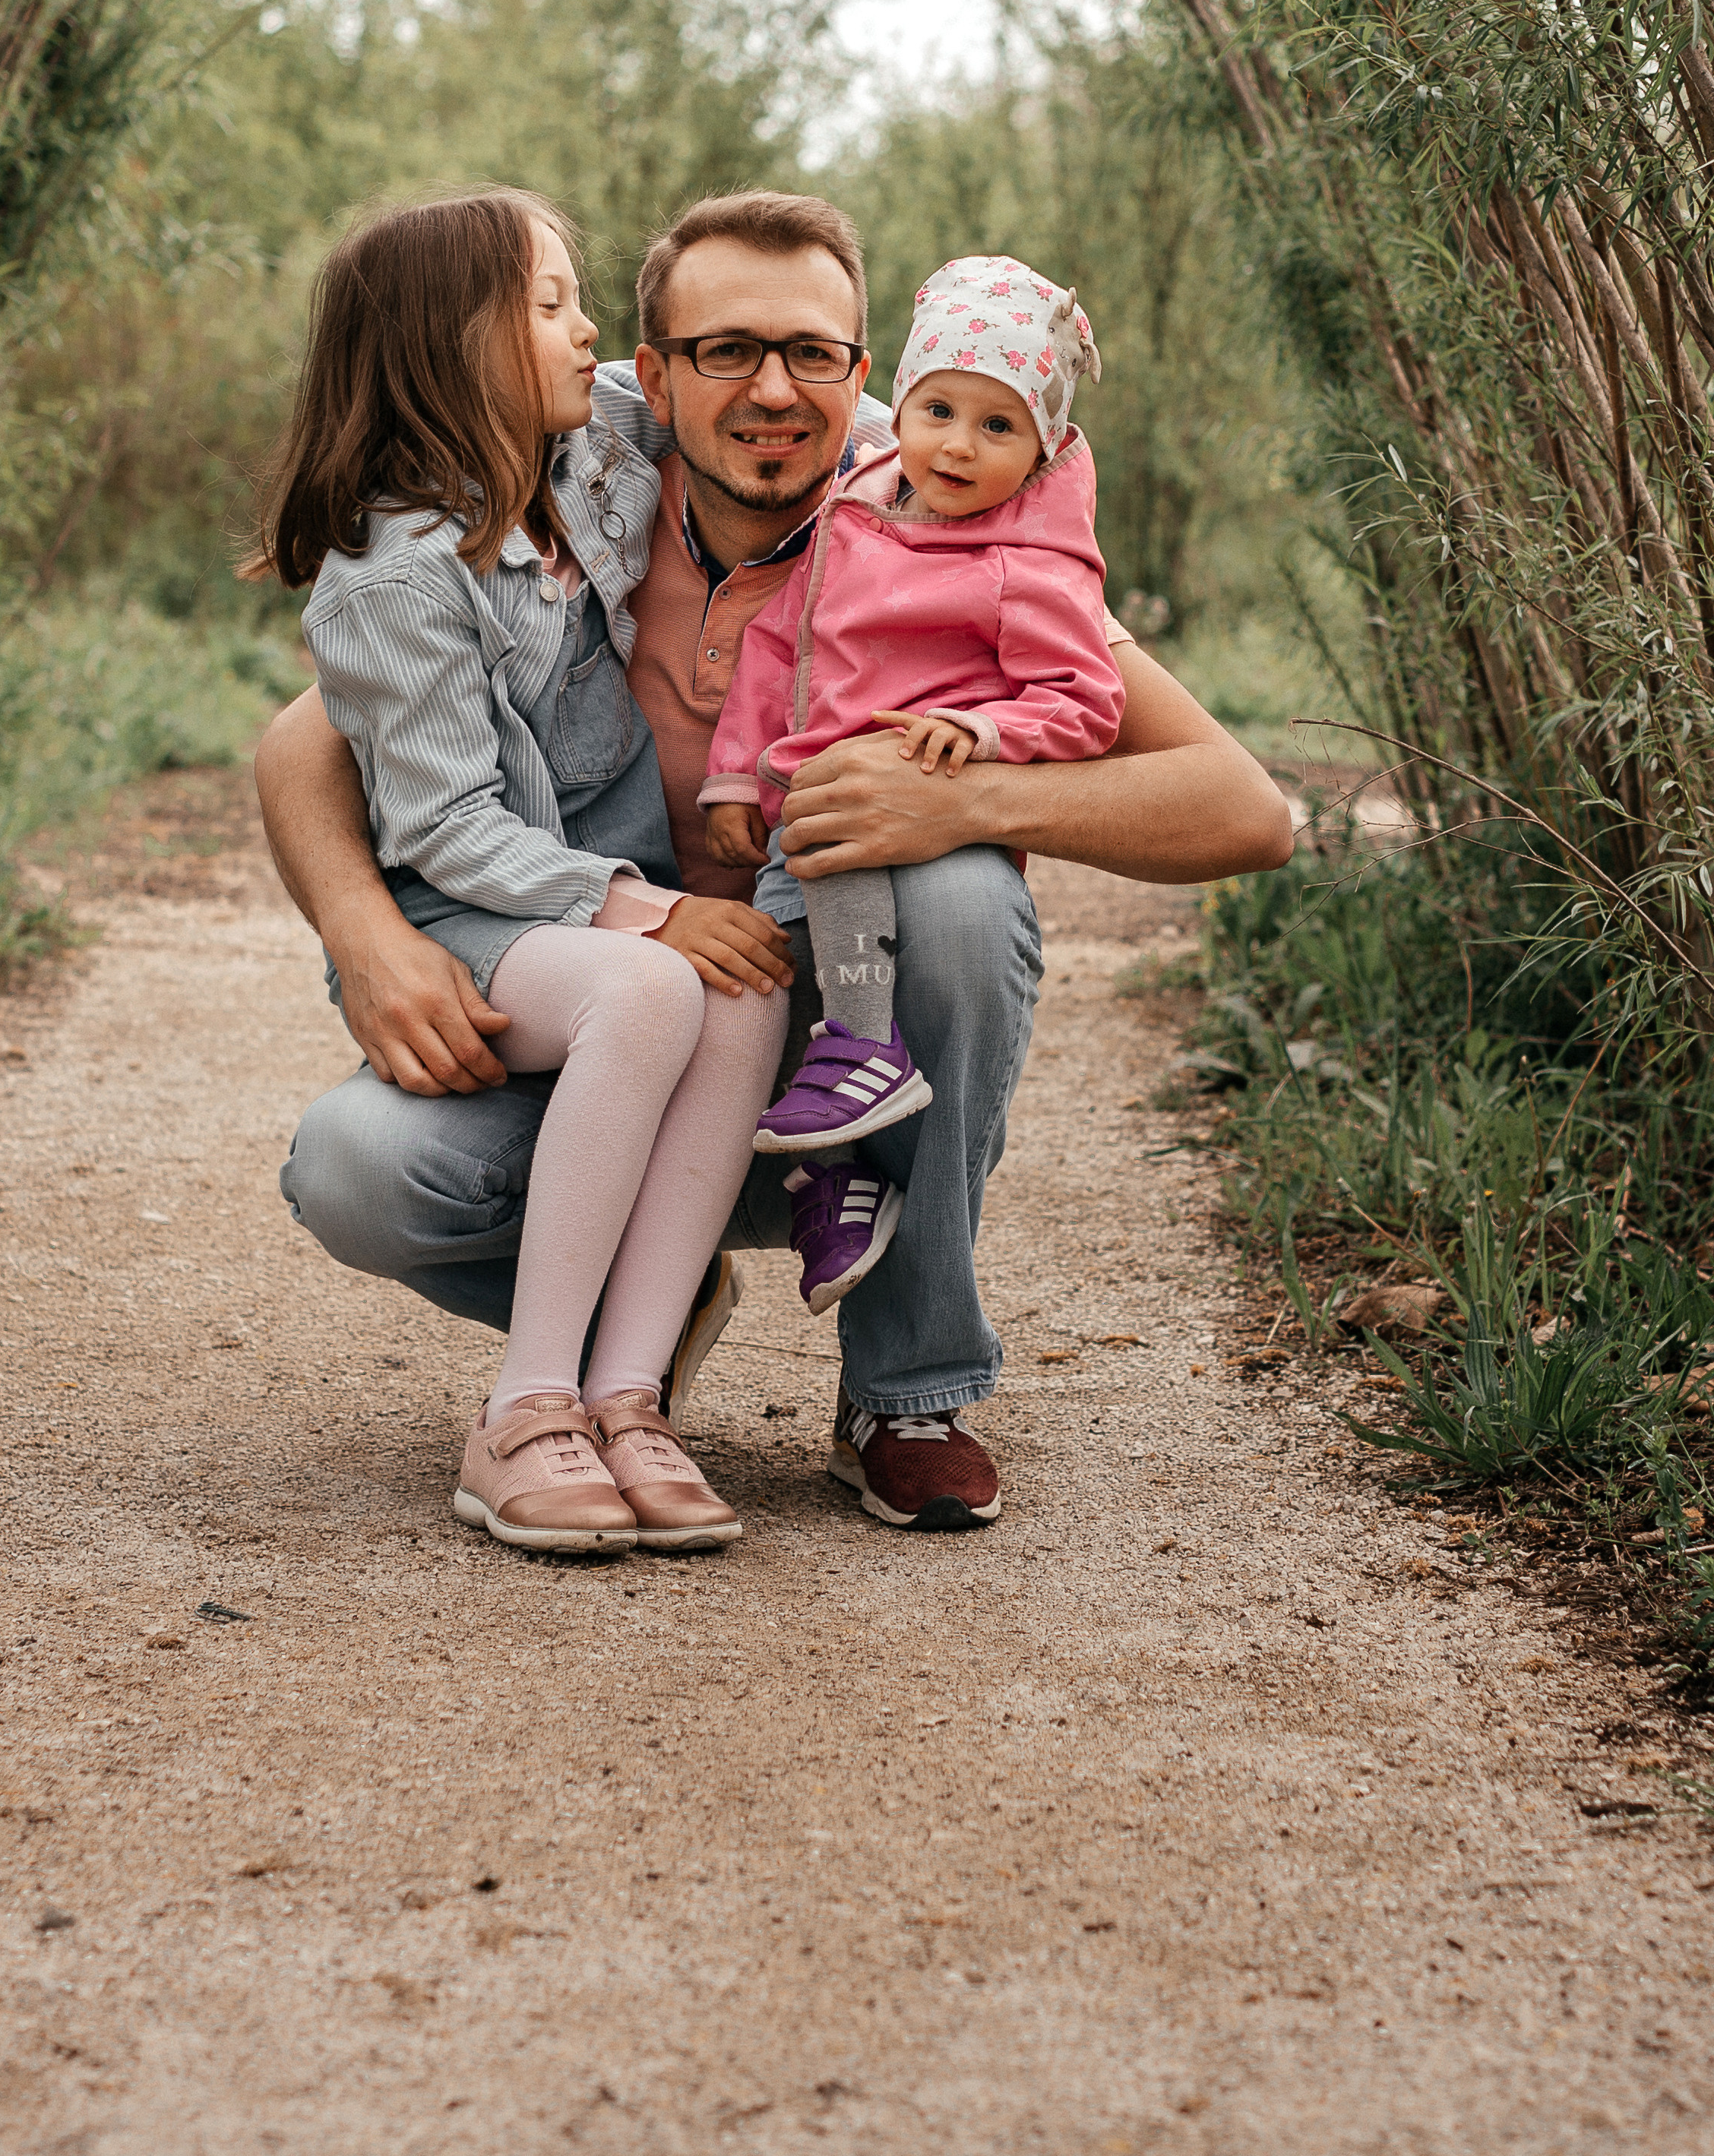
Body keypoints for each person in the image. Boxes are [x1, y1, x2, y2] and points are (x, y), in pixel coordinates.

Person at [256, 190, 1294, 1535]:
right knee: (358, 1163)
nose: (773, 391)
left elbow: (1243, 810)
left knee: (963, 898)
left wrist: (965, 803)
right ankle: (626, 1324)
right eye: (726, 350)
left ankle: (905, 1391)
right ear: (655, 369)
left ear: (867, 371)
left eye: (814, 353)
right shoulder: (569, 473)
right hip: (617, 1026)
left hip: (837, 1060)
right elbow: (312, 734)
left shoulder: (948, 492)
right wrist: (369, 934)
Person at [250, 187, 792, 1558]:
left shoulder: (589, 443)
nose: (591, 329)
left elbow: (745, 368)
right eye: (550, 304)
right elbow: (443, 830)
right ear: (451, 345)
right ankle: (524, 1409)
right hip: (476, 921)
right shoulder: (390, 575)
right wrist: (656, 912)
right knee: (660, 988)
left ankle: (631, 1398)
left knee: (740, 995)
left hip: (588, 914)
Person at [702, 258, 1125, 1320]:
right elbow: (775, 644)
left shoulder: (1030, 563)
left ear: (1043, 448)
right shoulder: (853, 511)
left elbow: (1084, 704)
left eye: (997, 427)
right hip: (806, 808)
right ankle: (836, 1170)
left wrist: (977, 729)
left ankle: (865, 1054)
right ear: (904, 401)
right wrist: (729, 772)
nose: (955, 446)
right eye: (937, 410)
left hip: (914, 812)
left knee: (846, 852)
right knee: (772, 947)